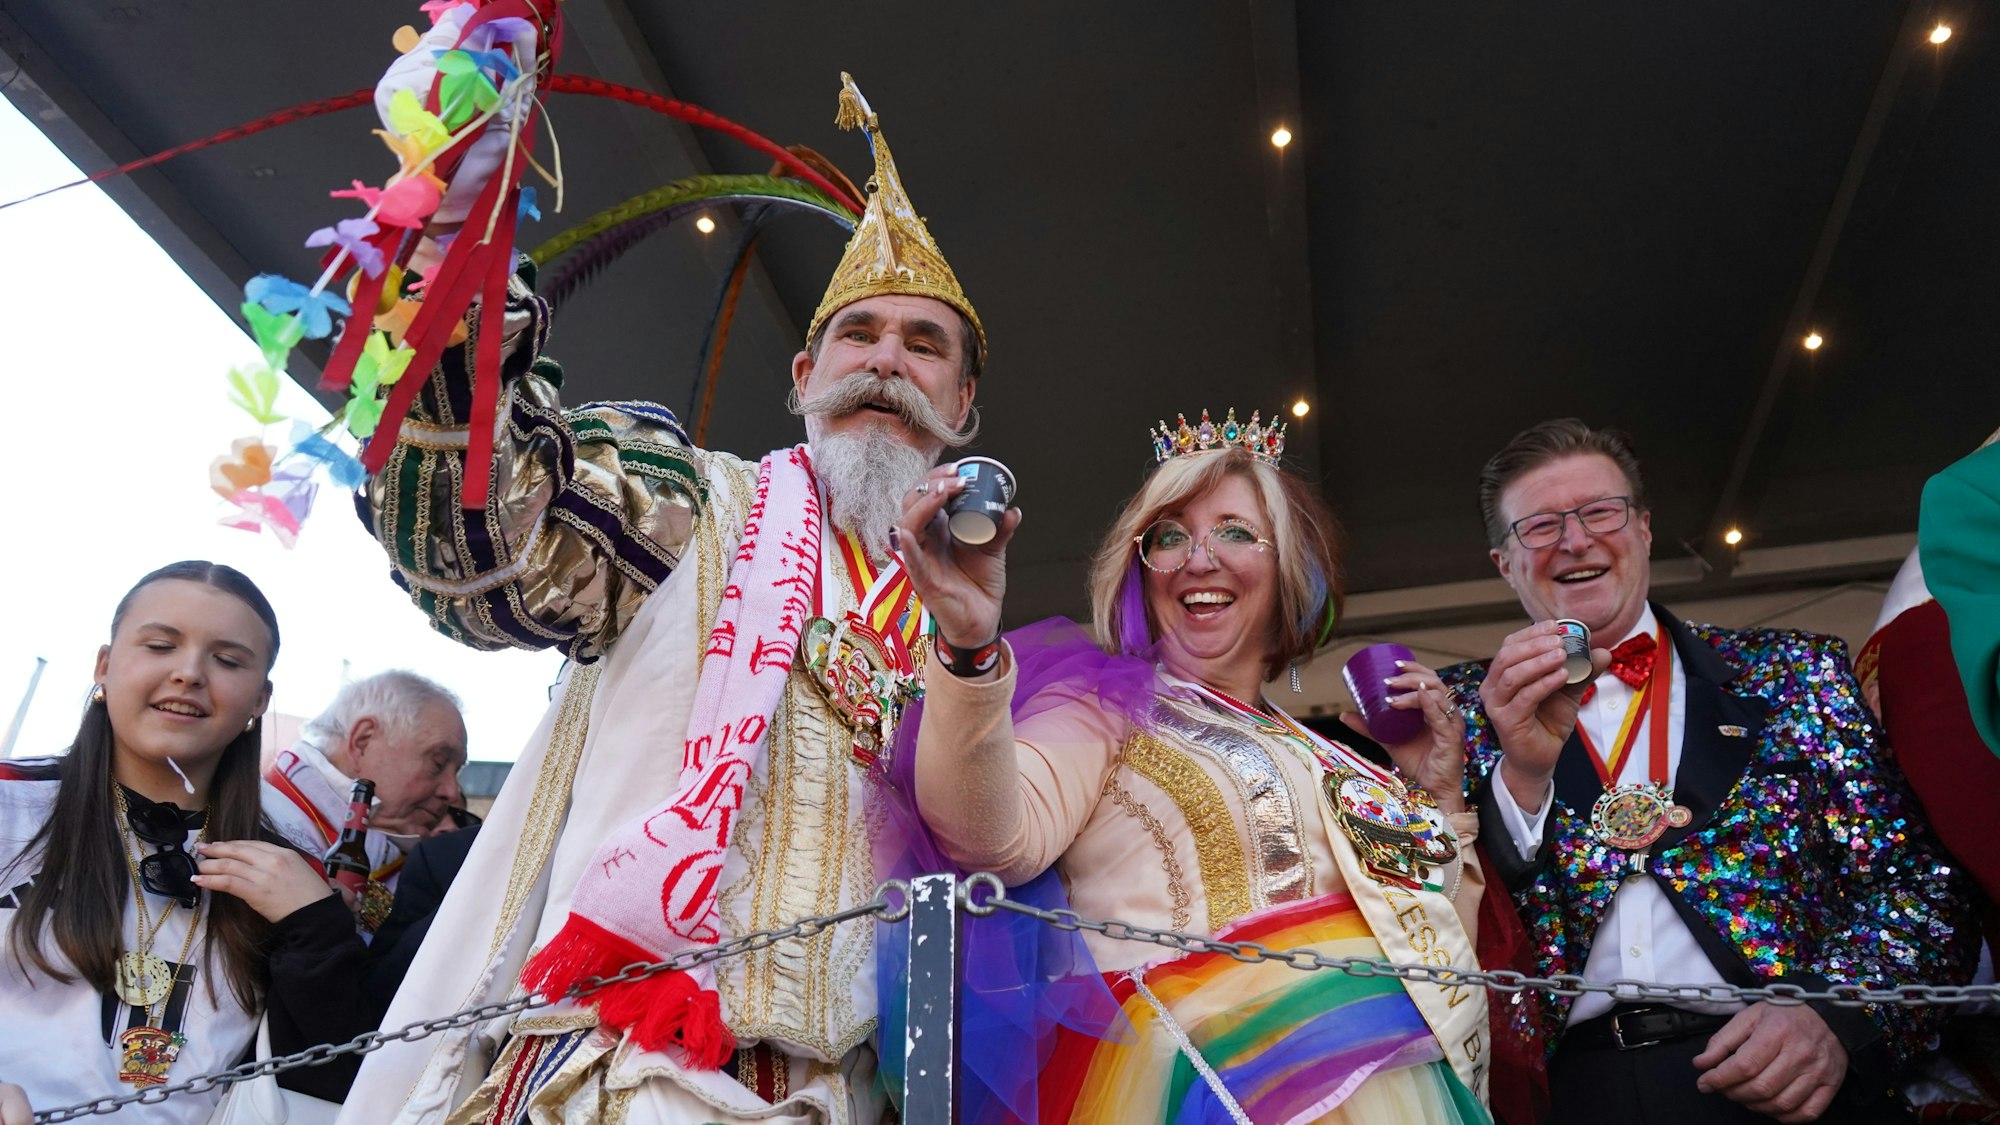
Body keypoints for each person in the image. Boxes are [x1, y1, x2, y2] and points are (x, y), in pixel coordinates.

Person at [334, 67, 989, 1124]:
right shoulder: (689, 500)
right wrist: (460, 288)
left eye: (924, 346)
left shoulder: (965, 630)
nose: (885, 361)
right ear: (803, 374)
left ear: (959, 401)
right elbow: (485, 559)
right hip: (623, 1072)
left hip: (854, 1094)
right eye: (858, 334)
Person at [888, 412, 1491, 1123]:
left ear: (1291, 565)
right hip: (1186, 1094)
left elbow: (1445, 965)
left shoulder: (1335, 757)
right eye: (1169, 536)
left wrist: (1435, 793)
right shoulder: (1104, 706)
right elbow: (986, 837)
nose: (1198, 558)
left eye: (1234, 531)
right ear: (1141, 571)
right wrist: (968, 646)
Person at [1440, 419, 1975, 1124]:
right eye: (1539, 526)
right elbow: (1429, 925)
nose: (1574, 540)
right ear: (1505, 563)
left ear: (1646, 529)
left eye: (1600, 511)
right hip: (1563, 1097)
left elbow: (1920, 885)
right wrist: (1521, 776)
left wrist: (1838, 1018)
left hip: (1791, 1081)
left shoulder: (1794, 672)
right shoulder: (1453, 714)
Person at [0, 561, 367, 1121]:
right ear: (104, 665)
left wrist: (316, 929)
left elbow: (332, 1081)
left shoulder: (293, 872)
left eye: (227, 660)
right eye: (159, 646)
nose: (189, 673)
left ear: (260, 700)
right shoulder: (12, 808)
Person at [263, 669, 467, 933]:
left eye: (457, 770)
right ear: (363, 741)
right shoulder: (257, 819)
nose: (452, 792)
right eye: (438, 763)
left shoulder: (419, 863)